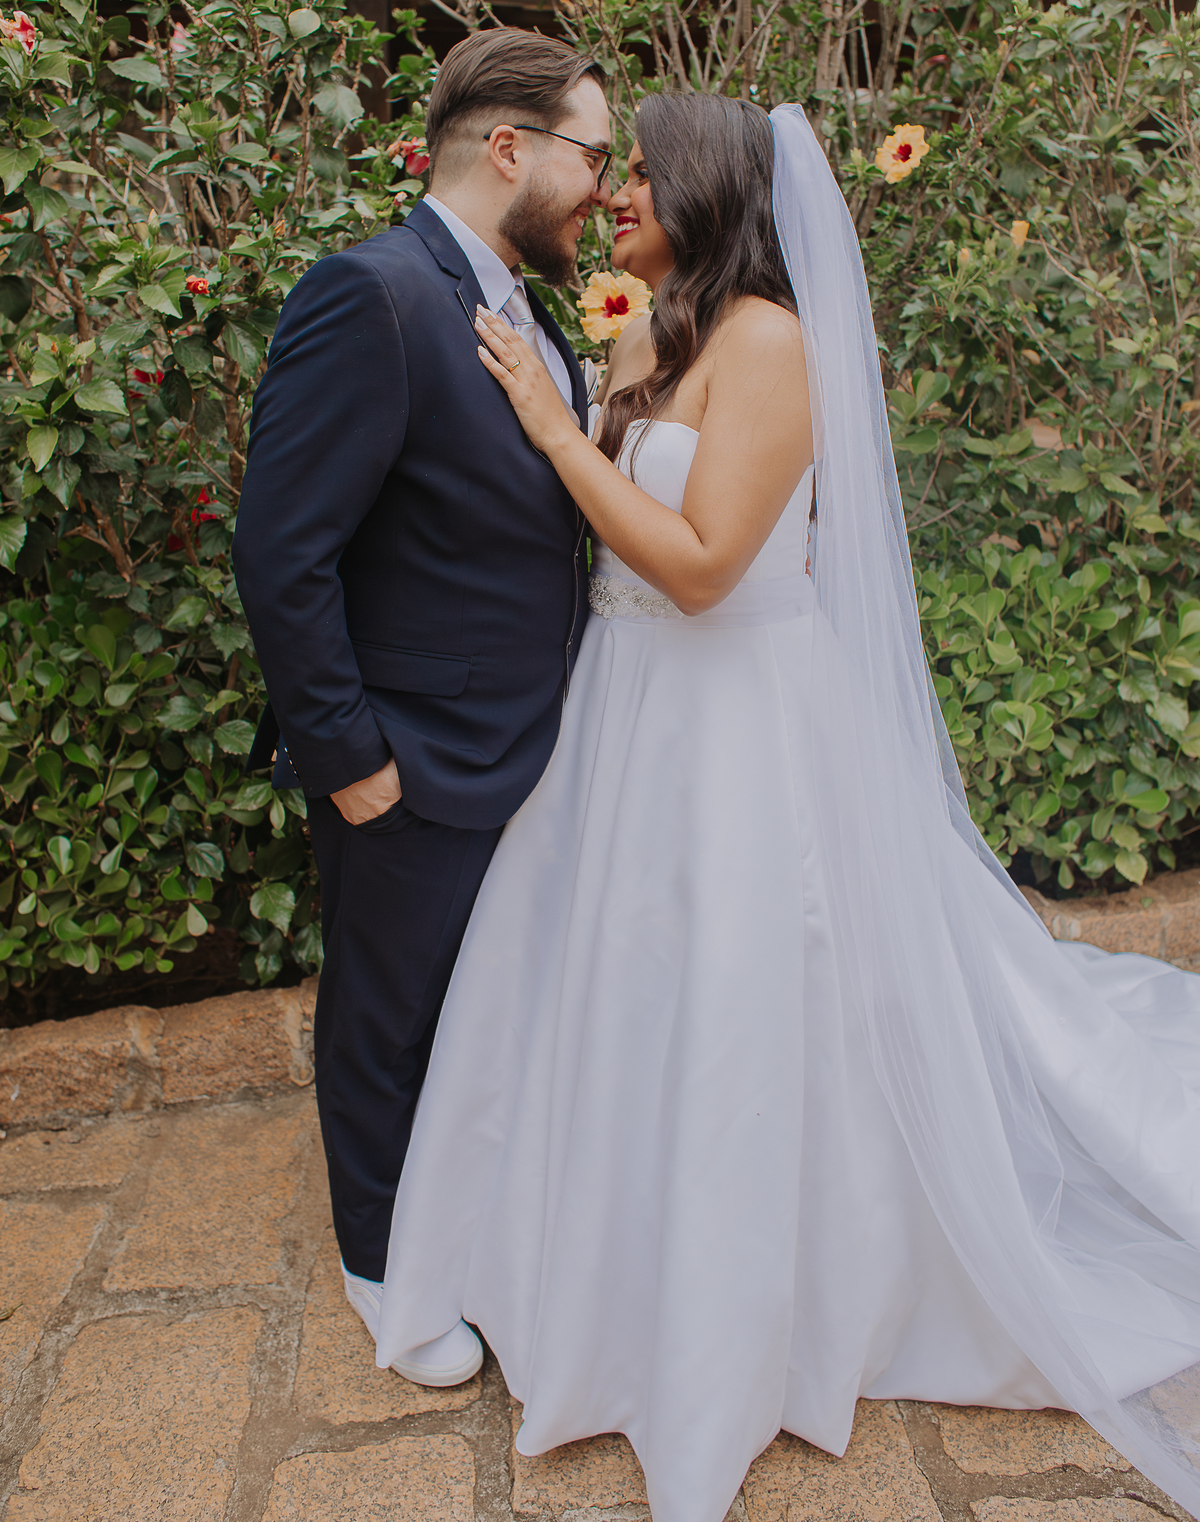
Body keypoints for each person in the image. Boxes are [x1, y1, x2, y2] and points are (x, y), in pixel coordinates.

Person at [375, 92, 1200, 1522]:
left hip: (737, 718)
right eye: (617, 169)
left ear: (706, 189)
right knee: (611, 984)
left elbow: (704, 568)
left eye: (643, 173)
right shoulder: (648, 331)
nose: (618, 193)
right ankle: (580, 1265)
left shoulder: (769, 342)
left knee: (748, 997)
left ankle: (758, 1303)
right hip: (622, 706)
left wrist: (555, 435)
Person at [232, 27, 612, 1385]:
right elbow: (282, 553)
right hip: (414, 753)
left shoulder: (527, 312)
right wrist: (352, 759)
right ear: (509, 147)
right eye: (593, 155)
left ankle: (473, 1225)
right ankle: (383, 1267)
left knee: (478, 1011)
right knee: (386, 1019)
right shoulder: (372, 294)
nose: (606, 188)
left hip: (527, 747)